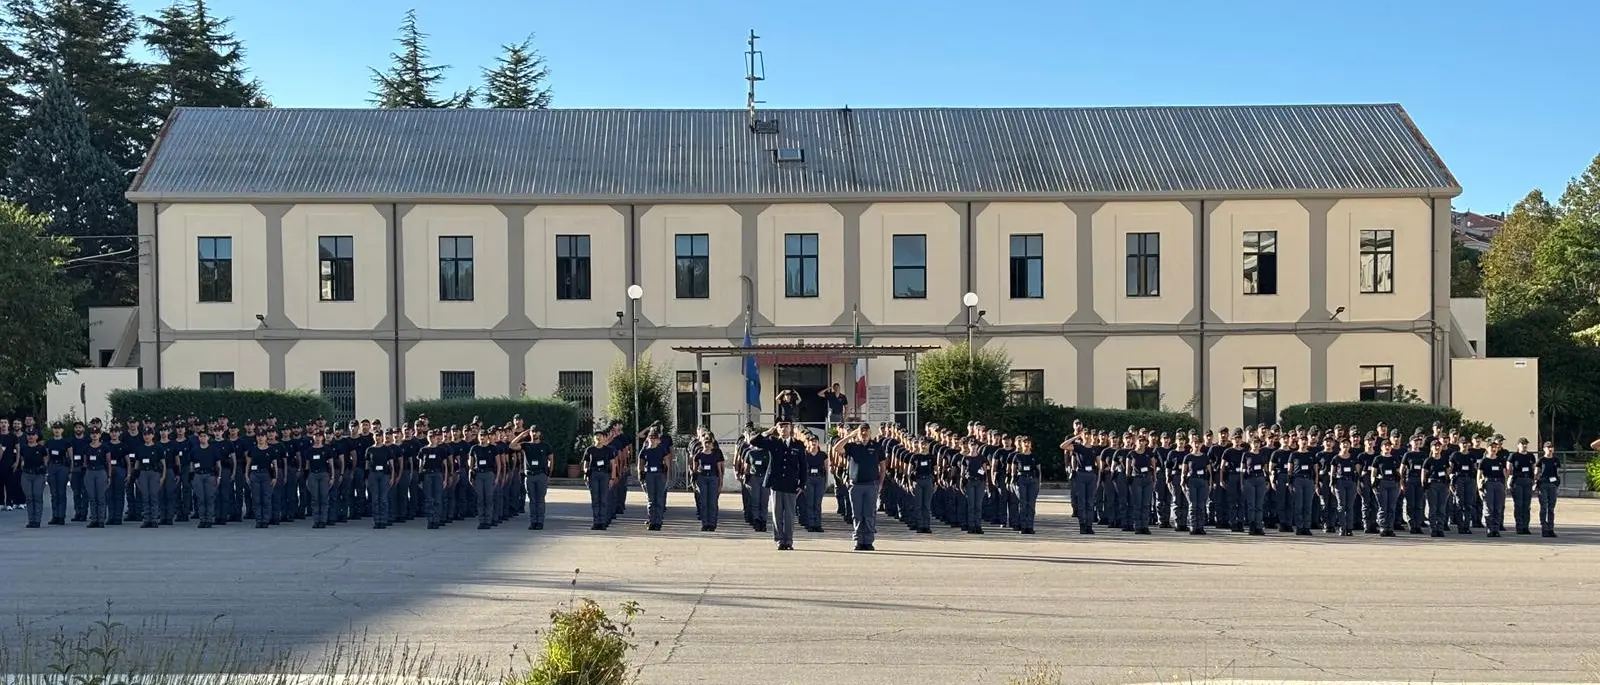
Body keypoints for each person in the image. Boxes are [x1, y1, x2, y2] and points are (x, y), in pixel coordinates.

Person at [756, 423, 807, 550]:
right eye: (781, 427)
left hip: (791, 484)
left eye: (786, 427)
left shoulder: (798, 445)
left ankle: (788, 540)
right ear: (777, 429)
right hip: (776, 483)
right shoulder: (773, 442)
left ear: (790, 429)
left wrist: (802, 484)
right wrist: (768, 432)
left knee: (789, 514)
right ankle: (779, 539)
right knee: (777, 513)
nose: (783, 429)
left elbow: (803, 466)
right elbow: (755, 441)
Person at [839, 424, 883, 550]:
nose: (864, 434)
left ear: (870, 432)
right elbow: (838, 448)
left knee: (869, 514)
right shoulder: (853, 446)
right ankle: (858, 540)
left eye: (866, 431)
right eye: (861, 431)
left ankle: (868, 541)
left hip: (871, 484)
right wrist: (850, 435)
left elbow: (883, 466)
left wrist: (880, 483)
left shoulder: (876, 446)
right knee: (857, 514)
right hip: (856, 485)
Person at [637, 428, 673, 531]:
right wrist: (641, 474)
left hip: (659, 474)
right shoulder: (644, 450)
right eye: (650, 437)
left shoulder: (662, 449)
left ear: (658, 440)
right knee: (651, 499)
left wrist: (667, 475)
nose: (652, 440)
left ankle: (658, 521)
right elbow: (641, 462)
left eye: (655, 438)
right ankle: (652, 520)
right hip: (649, 475)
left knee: (659, 499)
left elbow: (667, 462)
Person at [692, 430, 725, 531]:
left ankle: (712, 523)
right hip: (702, 479)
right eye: (706, 442)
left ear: (712, 443)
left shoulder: (716, 454)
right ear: (702, 443)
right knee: (703, 502)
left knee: (712, 502)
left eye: (709, 442)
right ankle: (705, 523)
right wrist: (694, 482)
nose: (707, 444)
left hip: (713, 478)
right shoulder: (698, 455)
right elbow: (695, 469)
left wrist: (720, 483)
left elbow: (720, 470)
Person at [1537, 441, 1561, 537]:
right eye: (1548, 447)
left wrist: (1557, 483)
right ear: (1544, 449)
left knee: (1551, 507)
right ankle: (1544, 528)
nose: (1550, 449)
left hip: (1553, 486)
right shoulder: (1541, 460)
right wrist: (1536, 483)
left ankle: (1551, 528)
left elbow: (1558, 473)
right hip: (1543, 485)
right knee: (1544, 507)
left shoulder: (1556, 460)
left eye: (1551, 447)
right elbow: (1537, 472)